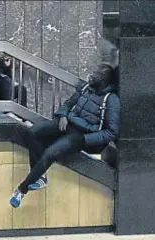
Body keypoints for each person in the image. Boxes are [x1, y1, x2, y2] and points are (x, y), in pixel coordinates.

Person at [10, 64, 120, 208]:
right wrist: (63, 115)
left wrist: (86, 140)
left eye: (96, 73)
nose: (91, 74)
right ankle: (40, 177)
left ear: (103, 79)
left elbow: (111, 132)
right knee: (32, 132)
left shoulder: (111, 99)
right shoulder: (86, 87)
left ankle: (21, 190)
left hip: (83, 135)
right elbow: (69, 103)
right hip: (67, 123)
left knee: (50, 153)